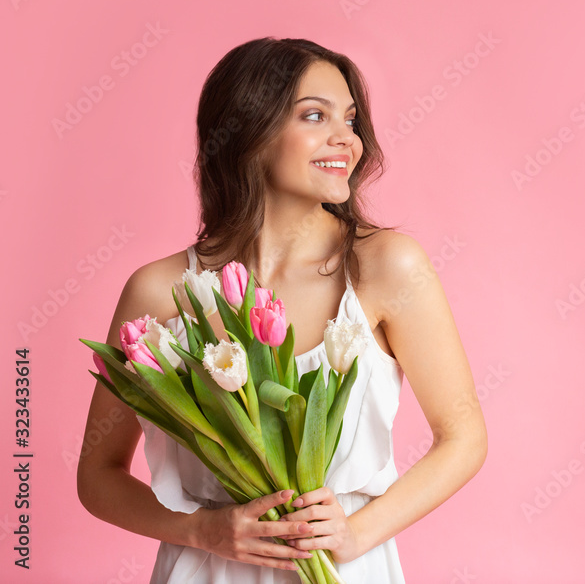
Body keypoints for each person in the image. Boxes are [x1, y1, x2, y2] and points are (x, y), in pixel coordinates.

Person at [77, 37, 487, 583]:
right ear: (248, 131)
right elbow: (98, 476)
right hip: (209, 572)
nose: (348, 139)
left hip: (348, 568)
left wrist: (356, 533)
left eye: (351, 118)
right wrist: (201, 530)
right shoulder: (160, 291)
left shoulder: (386, 266)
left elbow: (464, 436)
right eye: (315, 116)